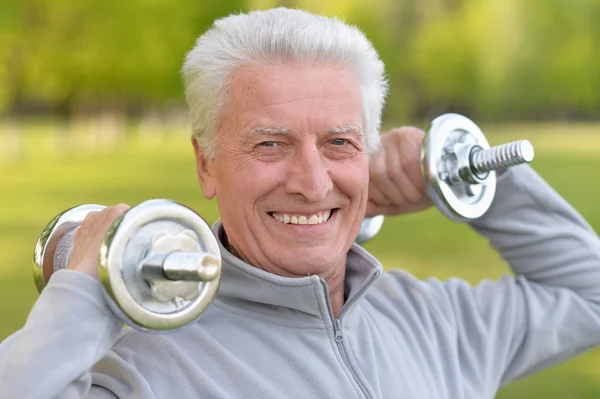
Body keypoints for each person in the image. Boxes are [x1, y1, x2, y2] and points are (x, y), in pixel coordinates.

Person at [1, 7, 600, 399]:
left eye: (340, 143)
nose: (313, 183)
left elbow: (589, 293)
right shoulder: (143, 370)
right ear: (206, 162)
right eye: (271, 144)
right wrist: (83, 295)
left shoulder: (431, 321)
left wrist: (455, 166)